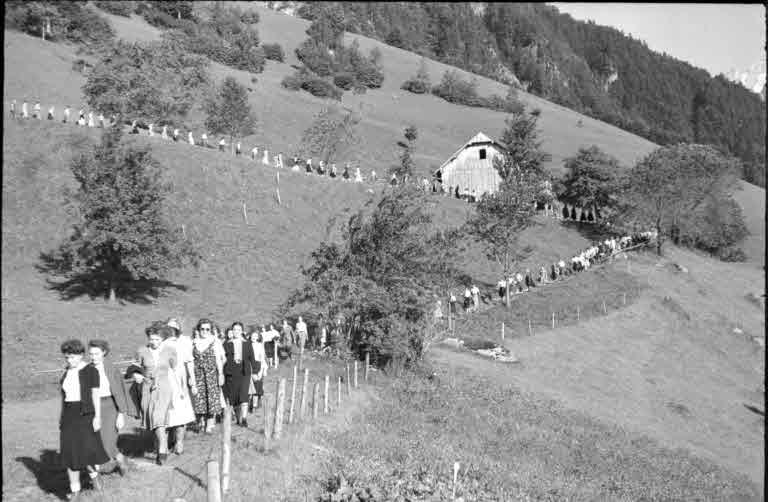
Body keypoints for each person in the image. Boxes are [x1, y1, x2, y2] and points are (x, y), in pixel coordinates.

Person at [59, 339, 109, 499]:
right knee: (69, 454)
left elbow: (95, 394)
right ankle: (75, 491)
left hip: (86, 415)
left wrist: (97, 417)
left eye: (72, 357)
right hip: (69, 416)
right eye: (66, 357)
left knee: (85, 452)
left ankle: (94, 476)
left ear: (81, 355)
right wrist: (62, 418)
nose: (69, 360)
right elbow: (65, 397)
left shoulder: (90, 371)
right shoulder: (67, 371)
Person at [134, 324, 180, 465]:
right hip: (147, 387)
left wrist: (180, 388)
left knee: (158, 417)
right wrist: (137, 375)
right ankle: (161, 443)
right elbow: (134, 368)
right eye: (152, 339)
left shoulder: (170, 351)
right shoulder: (142, 351)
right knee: (151, 418)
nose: (154, 342)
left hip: (163, 387)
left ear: (162, 339)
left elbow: (175, 367)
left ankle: (162, 448)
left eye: (157, 339)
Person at [87, 340, 130, 476]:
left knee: (108, 440)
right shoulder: (87, 369)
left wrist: (121, 414)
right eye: (91, 354)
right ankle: (116, 460)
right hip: (94, 407)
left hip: (110, 406)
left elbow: (119, 390)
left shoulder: (111, 368)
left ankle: (114, 462)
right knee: (96, 439)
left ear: (104, 353)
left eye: (96, 353)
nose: (93, 357)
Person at [163, 319, 195, 455]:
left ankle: (179, 442)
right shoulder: (161, 343)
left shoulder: (183, 343)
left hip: (180, 381)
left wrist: (192, 377)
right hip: (165, 381)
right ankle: (167, 442)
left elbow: (189, 362)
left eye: (173, 328)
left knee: (181, 413)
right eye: (168, 327)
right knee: (167, 413)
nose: (171, 330)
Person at [191, 319, 224, 435]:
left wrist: (220, 374)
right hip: (198, 374)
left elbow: (219, 359)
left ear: (210, 330)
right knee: (199, 399)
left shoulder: (215, 342)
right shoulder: (193, 342)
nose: (204, 331)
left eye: (207, 329)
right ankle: (201, 422)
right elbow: (190, 360)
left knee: (212, 398)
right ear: (198, 330)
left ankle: (209, 425)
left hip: (211, 374)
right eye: (202, 329)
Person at [222, 322, 257, 427]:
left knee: (244, 395)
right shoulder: (226, 344)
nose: (236, 331)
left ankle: (245, 418)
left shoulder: (247, 343)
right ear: (232, 331)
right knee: (234, 398)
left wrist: (255, 372)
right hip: (231, 373)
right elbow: (223, 359)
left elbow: (252, 358)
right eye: (234, 329)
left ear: (242, 331)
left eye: (238, 329)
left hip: (244, 372)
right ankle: (238, 419)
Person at [247, 327, 266, 410]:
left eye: (255, 336)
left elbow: (262, 359)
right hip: (249, 366)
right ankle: (247, 404)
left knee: (257, 386)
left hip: (257, 366)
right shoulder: (247, 345)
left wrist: (261, 371)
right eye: (252, 335)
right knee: (248, 387)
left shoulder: (259, 346)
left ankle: (254, 405)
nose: (254, 337)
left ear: (258, 337)